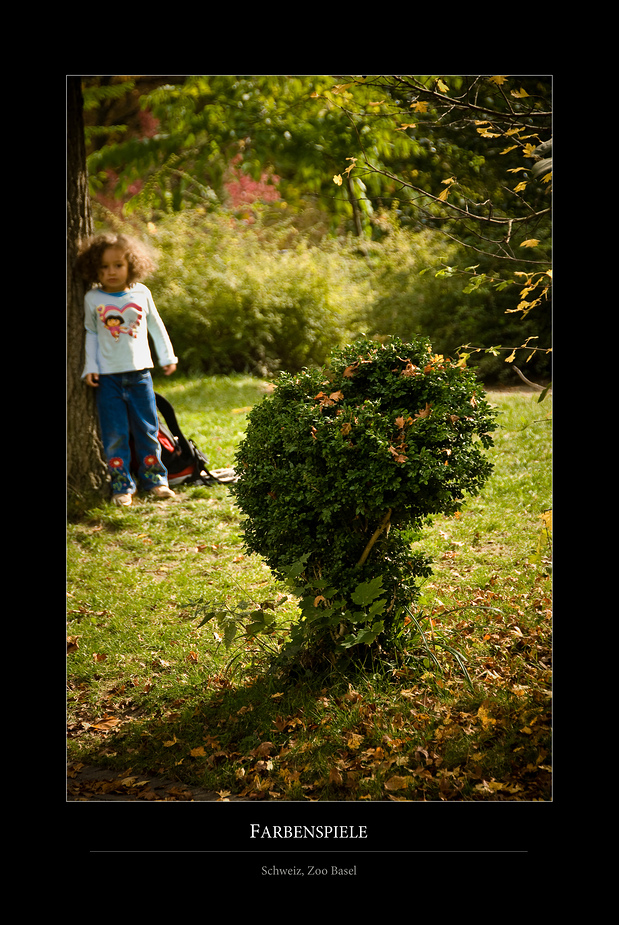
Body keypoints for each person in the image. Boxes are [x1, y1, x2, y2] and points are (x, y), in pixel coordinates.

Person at [76, 232, 178, 507]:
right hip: (108, 378)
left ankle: (156, 480)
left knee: (147, 428)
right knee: (115, 433)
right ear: (94, 268)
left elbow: (155, 325)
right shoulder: (92, 298)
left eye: (118, 265)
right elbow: (91, 333)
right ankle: (122, 485)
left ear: (131, 264)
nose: (111, 272)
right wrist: (91, 367)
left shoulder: (141, 292)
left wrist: (167, 356)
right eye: (104, 267)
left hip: (140, 374)